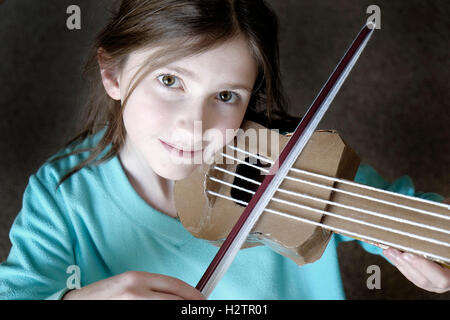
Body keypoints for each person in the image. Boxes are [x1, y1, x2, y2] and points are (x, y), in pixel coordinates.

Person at [0, 0, 448, 300]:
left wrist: (436, 249)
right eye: (170, 81)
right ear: (113, 73)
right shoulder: (64, 193)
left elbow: (411, 213)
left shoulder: (284, 164)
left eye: (226, 96)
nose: (195, 126)